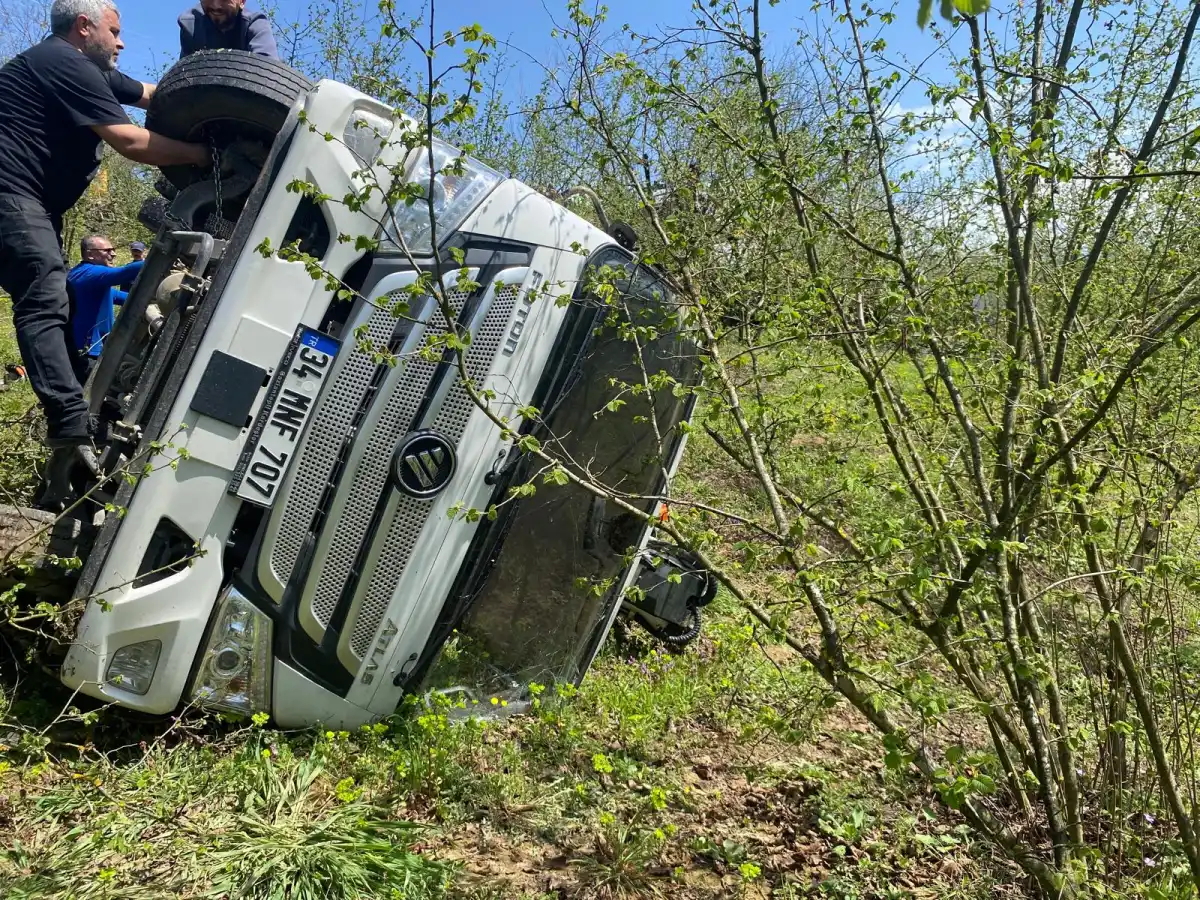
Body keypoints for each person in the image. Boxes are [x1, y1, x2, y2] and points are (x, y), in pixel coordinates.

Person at [0, 0, 210, 453]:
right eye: (113, 31)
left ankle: (73, 414)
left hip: (33, 204)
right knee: (43, 295)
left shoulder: (88, 71)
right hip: (9, 196)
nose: (121, 41)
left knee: (56, 298)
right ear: (83, 27)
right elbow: (130, 142)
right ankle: (69, 425)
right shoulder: (59, 61)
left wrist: (224, 92)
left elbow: (155, 94)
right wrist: (204, 155)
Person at [66, 234, 143, 384]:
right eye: (107, 250)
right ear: (90, 254)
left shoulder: (84, 275)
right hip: (87, 354)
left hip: (92, 351)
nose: (113, 254)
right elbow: (124, 273)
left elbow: (114, 295)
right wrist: (160, 258)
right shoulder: (88, 273)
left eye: (113, 249)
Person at [178, 1, 278, 59]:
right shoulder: (191, 26)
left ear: (242, 1)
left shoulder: (255, 25)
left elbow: (268, 72)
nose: (215, 5)